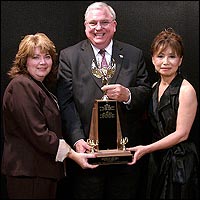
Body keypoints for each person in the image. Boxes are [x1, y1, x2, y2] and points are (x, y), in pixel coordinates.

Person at [56, 2, 151, 199]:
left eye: (104, 22)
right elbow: (66, 103)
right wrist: (78, 139)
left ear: (114, 25)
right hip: (88, 155)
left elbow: (146, 92)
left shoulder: (134, 55)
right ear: (85, 26)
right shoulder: (69, 56)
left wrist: (128, 95)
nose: (98, 28)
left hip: (126, 156)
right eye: (93, 23)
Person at [1, 32, 98, 199]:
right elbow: (39, 134)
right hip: (29, 174)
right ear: (25, 61)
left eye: (47, 57)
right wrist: (73, 155)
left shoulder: (37, 86)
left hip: (40, 173)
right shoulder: (21, 86)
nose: (42, 62)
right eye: (35, 57)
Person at [127, 28, 199, 199]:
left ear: (180, 60)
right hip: (157, 160)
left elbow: (182, 134)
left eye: (172, 56)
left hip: (180, 163)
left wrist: (146, 149)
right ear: (152, 59)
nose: (165, 62)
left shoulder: (186, 90)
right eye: (160, 56)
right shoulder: (153, 88)